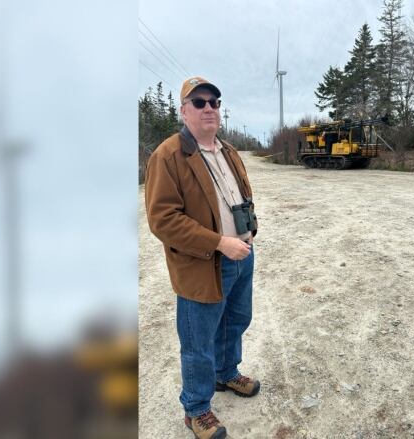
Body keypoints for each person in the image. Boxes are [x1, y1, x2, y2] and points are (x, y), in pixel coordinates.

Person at [144, 76, 260, 439]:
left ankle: (227, 373)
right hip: (201, 264)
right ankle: (196, 409)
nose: (209, 107)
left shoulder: (228, 151)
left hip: (241, 255)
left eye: (214, 102)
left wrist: (249, 228)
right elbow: (163, 219)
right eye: (199, 102)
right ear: (183, 111)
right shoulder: (168, 155)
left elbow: (241, 196)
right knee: (198, 341)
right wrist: (219, 242)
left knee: (236, 321)